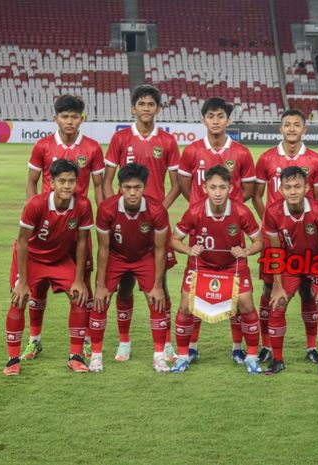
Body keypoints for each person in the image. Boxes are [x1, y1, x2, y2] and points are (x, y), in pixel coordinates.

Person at [103, 84, 181, 362]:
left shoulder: (168, 142)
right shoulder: (120, 138)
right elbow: (106, 181)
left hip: (156, 225)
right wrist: (116, 212)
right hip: (125, 224)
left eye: (151, 104)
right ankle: (124, 342)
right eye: (141, 104)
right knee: (124, 284)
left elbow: (176, 185)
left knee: (160, 284)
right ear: (132, 108)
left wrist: (157, 210)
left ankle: (167, 343)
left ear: (158, 109)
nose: (146, 108)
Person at [23, 95, 104, 361]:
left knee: (83, 285)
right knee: (38, 288)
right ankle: (34, 341)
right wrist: (35, 215)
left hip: (79, 225)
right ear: (55, 118)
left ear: (82, 118)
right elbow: (32, 182)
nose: (70, 121)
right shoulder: (43, 146)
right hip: (49, 227)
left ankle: (87, 340)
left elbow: (100, 187)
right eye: (65, 116)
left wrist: (103, 219)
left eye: (74, 116)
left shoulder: (92, 148)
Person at [178, 97, 256, 362]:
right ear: (203, 120)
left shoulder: (242, 153)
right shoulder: (191, 151)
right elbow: (185, 185)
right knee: (195, 295)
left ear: (228, 120)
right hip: (200, 226)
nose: (215, 121)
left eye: (220, 116)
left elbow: (247, 190)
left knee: (237, 293)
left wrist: (230, 211)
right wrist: (203, 208)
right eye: (210, 116)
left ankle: (237, 348)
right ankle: (191, 347)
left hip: (231, 225)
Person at [170, 165, 264, 374]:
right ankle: (184, 355)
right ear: (205, 188)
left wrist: (247, 251)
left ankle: (251, 356)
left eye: (222, 187)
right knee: (186, 305)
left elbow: (259, 241)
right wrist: (188, 248)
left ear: (230, 188)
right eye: (213, 187)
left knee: (246, 304)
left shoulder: (241, 211)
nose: (218, 192)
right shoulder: (195, 211)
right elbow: (174, 239)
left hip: (233, 266)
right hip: (201, 266)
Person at [252, 110, 318, 364]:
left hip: (305, 236)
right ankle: (266, 346)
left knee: (308, 292)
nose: (292, 128)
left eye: (297, 125)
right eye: (287, 124)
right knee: (269, 291)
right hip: (275, 237)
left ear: (304, 129)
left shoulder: (316, 161)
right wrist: (273, 222)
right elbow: (256, 196)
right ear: (280, 128)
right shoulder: (266, 158)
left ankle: (310, 347)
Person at [4, 159, 93, 375]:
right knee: (19, 299)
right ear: (51, 182)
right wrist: (23, 282)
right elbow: (23, 242)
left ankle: (75, 356)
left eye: (71, 181)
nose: (66, 186)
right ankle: (13, 360)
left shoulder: (83, 205)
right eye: (61, 181)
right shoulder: (36, 204)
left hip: (59, 259)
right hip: (31, 258)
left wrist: (79, 280)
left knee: (80, 295)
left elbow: (82, 242)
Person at [92, 163, 172, 373]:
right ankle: (98, 355)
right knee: (100, 300)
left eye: (137, 187)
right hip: (116, 256)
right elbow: (103, 248)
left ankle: (159, 356)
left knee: (156, 300)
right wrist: (100, 285)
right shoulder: (107, 209)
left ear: (144, 187)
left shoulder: (156, 210)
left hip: (145, 256)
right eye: (127, 187)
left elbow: (161, 248)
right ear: (120, 187)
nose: (132, 192)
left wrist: (157, 285)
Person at [262, 167, 318, 376]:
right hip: (289, 264)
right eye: (288, 187)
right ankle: (277, 360)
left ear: (306, 188)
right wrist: (277, 286)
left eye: (297, 186)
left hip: (316, 263)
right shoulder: (273, 212)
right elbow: (275, 251)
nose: (293, 191)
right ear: (281, 189)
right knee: (278, 304)